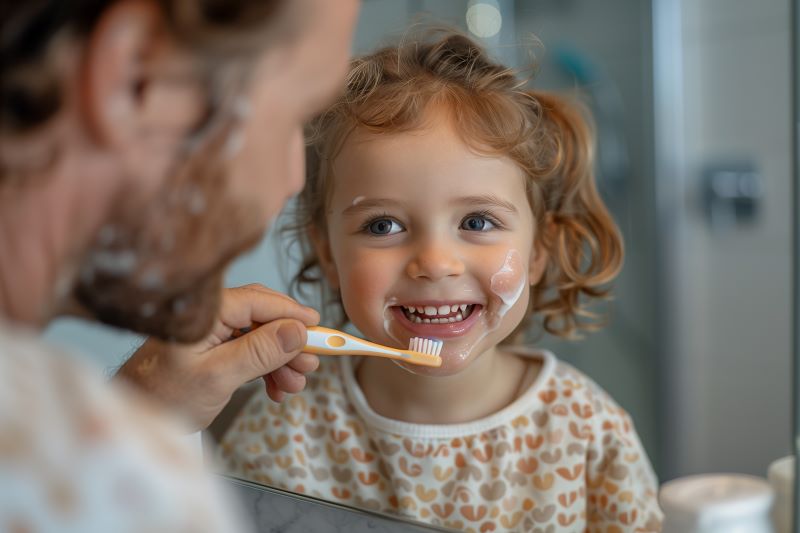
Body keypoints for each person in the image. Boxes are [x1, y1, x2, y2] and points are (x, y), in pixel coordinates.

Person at [216, 31, 664, 532]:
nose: (434, 263)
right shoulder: (285, 425)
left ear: (539, 251)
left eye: (476, 222)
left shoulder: (588, 433)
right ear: (327, 251)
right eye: (383, 225)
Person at [0, 0, 358, 530]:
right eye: (296, 116)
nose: (293, 180)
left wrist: (135, 411)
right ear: (137, 77)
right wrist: (127, 458)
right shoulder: (118, 483)